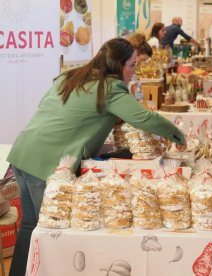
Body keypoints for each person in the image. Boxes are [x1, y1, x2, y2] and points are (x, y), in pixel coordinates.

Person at [7, 37, 186, 276]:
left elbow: (49, 107)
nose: (134, 72)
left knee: (31, 226)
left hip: (23, 152)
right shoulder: (111, 88)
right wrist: (179, 136)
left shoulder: (71, 75)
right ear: (117, 64)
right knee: (53, 233)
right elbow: (144, 118)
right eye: (132, 65)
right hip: (47, 165)